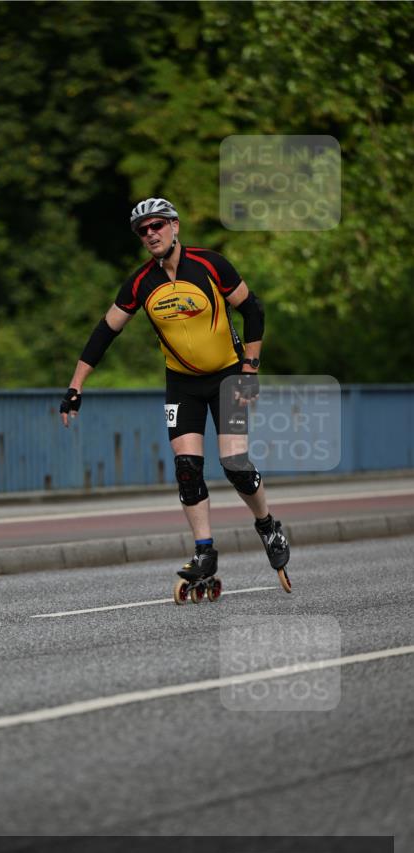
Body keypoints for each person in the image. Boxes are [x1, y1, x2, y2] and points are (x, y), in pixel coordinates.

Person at [60, 196, 290, 587]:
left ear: (175, 226)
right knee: (187, 470)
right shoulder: (139, 283)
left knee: (235, 466)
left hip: (228, 377)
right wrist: (75, 385)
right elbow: (105, 332)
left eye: (157, 225)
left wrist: (250, 368)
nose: (151, 234)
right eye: (143, 230)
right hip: (181, 383)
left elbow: (253, 310)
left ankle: (268, 526)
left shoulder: (210, 264)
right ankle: (204, 552)